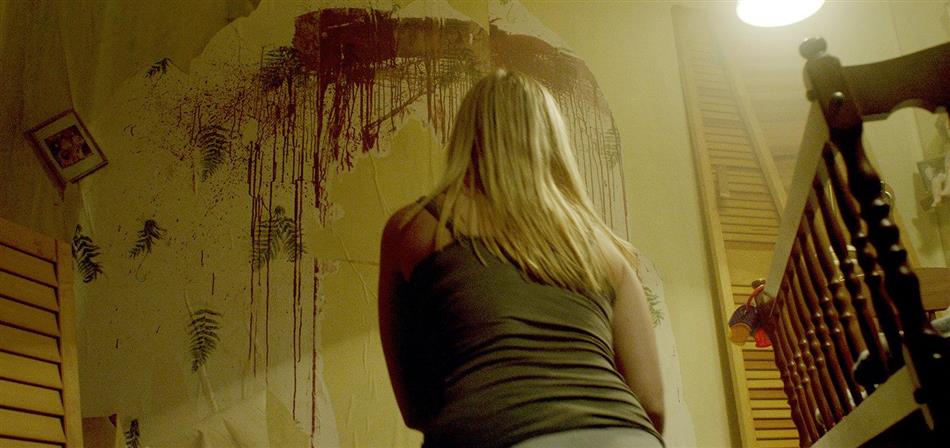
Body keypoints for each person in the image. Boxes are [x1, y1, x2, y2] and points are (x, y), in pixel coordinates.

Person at [378, 70, 664, 448]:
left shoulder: (417, 227)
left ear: (467, 136)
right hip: (625, 436)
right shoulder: (606, 248)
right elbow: (651, 402)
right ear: (553, 143)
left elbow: (417, 407)